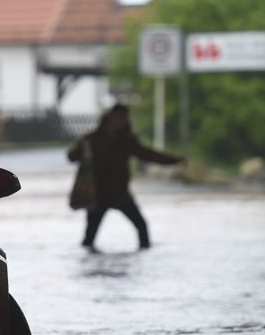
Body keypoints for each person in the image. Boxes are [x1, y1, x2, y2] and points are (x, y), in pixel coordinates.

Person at [68, 104, 184, 251]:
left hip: (120, 193)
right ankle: (90, 260)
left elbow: (147, 154)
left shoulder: (126, 141)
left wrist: (174, 160)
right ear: (110, 118)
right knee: (90, 235)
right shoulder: (92, 139)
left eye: (123, 118)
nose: (121, 121)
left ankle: (144, 252)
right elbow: (72, 156)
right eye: (118, 117)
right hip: (98, 194)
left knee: (141, 226)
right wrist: (83, 151)